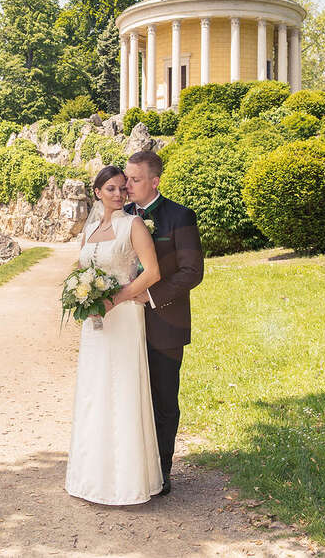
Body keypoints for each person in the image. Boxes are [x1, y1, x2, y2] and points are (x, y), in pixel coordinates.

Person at [65, 165, 164, 505]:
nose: (119, 195)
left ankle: (126, 482)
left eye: (123, 188)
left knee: (121, 391)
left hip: (123, 319)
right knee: (95, 392)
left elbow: (152, 272)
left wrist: (115, 299)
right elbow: (80, 269)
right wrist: (80, 296)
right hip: (94, 325)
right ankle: (91, 479)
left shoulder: (133, 225)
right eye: (111, 189)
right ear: (97, 192)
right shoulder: (91, 226)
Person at [124, 150, 204, 496]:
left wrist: (153, 297)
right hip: (122, 326)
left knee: (163, 401)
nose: (126, 185)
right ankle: (131, 469)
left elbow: (192, 271)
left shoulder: (179, 217)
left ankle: (161, 470)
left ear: (154, 181)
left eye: (134, 179)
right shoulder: (120, 215)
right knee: (127, 397)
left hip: (165, 322)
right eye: (126, 178)